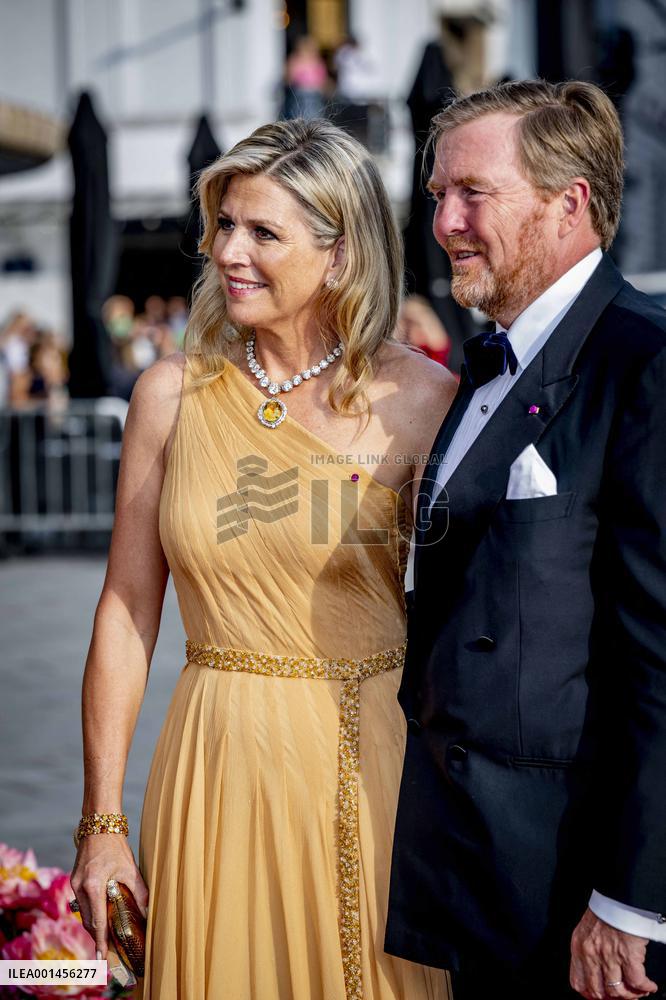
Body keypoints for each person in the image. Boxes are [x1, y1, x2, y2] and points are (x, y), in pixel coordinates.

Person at [70, 117, 456, 1000]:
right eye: (224, 226)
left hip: (370, 764)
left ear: (340, 253)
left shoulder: (423, 400)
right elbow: (127, 612)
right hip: (215, 760)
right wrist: (103, 820)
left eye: (263, 232)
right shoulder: (170, 395)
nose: (228, 252)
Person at [385, 79, 666, 1000]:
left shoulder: (646, 362)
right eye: (436, 197)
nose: (444, 223)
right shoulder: (479, 370)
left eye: (473, 193)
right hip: (481, 876)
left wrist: (631, 900)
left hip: (581, 889)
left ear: (569, 202)